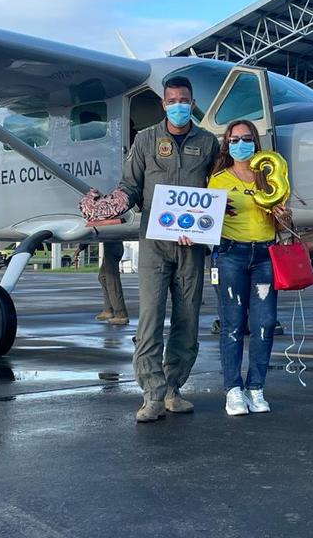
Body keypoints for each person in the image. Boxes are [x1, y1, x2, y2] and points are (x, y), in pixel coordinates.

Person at [116, 76, 219, 423]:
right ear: (164, 104)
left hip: (192, 247)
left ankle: (174, 387)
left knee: (187, 320)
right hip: (154, 244)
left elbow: (216, 187)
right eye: (172, 100)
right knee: (150, 320)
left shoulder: (208, 143)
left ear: (192, 103)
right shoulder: (146, 140)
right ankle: (152, 394)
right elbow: (130, 185)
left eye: (184, 100)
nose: (179, 105)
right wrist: (114, 204)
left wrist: (213, 217)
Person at [207, 120, 291, 416]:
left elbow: (284, 225)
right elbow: (206, 220)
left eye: (246, 138)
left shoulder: (269, 177)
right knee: (232, 324)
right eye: (234, 139)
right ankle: (233, 389)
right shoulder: (217, 180)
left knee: (265, 323)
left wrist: (283, 215)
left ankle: (256, 387)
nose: (240, 144)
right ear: (226, 145)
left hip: (265, 256)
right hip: (230, 254)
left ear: (256, 142)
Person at [95, 241, 129, 325]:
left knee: (111, 279)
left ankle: (121, 315)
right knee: (103, 277)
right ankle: (108, 310)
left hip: (113, 245)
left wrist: (81, 248)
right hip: (110, 244)